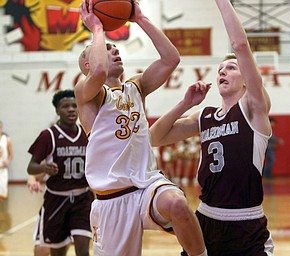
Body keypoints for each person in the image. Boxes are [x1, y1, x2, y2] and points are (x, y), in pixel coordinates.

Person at [74, 0, 207, 255]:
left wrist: (141, 19)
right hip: (112, 198)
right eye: (107, 48)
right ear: (87, 65)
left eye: (115, 48)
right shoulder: (87, 93)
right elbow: (100, 71)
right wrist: (97, 29)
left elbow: (171, 59)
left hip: (147, 185)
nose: (114, 51)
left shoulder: (135, 87)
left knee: (178, 204)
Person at [150, 0, 274, 255]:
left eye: (231, 67)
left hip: (246, 222)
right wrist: (184, 104)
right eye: (220, 69)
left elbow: (240, 45)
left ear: (245, 80)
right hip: (206, 218)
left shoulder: (253, 108)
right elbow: (154, 137)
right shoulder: (204, 116)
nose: (223, 71)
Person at [27, 89, 94, 256]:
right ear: (57, 110)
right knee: (57, 252)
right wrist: (43, 168)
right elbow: (31, 167)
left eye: (74, 105)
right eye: (65, 106)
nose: (71, 109)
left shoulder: (88, 133)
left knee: (83, 250)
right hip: (56, 199)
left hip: (82, 199)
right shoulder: (48, 135)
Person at [0, 120, 13, 201]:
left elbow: (11, 154)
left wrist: (8, 161)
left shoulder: (6, 139)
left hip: (2, 168)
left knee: (2, 194)